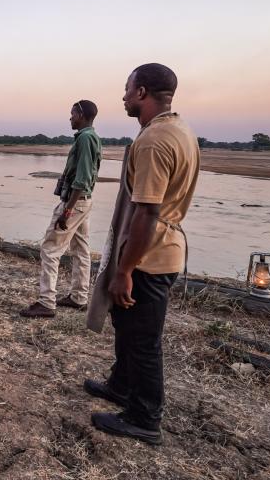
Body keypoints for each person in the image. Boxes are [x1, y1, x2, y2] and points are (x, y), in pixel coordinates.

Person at [85, 63, 200, 445]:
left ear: (142, 92)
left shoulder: (153, 142)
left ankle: (144, 417)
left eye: (127, 88)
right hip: (159, 250)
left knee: (142, 339)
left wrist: (125, 270)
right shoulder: (179, 130)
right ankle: (121, 386)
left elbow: (147, 211)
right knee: (127, 327)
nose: (122, 96)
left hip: (149, 257)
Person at [21, 100, 102, 318]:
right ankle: (79, 297)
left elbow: (83, 177)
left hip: (75, 202)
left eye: (72, 114)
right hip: (85, 201)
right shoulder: (91, 137)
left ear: (82, 115)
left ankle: (47, 302)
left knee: (50, 249)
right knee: (81, 249)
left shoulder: (85, 138)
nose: (70, 118)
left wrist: (67, 210)